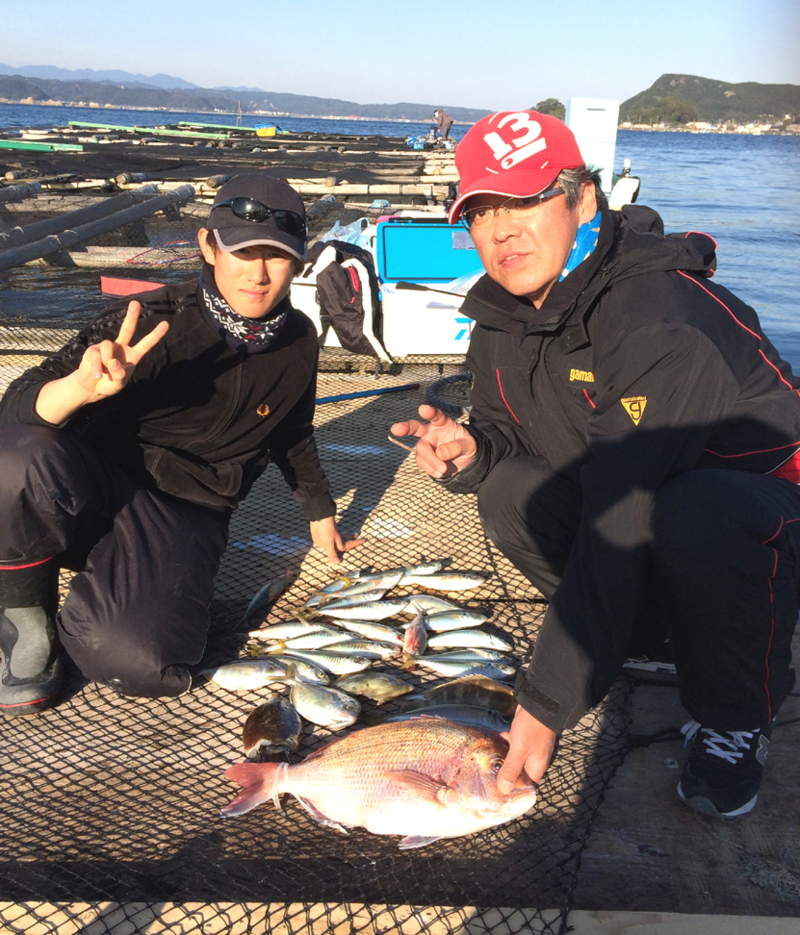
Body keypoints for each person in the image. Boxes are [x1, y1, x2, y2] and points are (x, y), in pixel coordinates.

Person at [392, 109, 800, 819]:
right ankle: (648, 639)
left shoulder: (656, 317)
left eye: (524, 201)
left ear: (583, 199)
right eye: (482, 211)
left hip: (764, 509)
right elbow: (510, 431)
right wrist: (476, 450)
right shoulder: (501, 316)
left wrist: (545, 705)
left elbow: (620, 515)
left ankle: (734, 714)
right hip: (642, 492)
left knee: (697, 511)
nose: (502, 230)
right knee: (512, 494)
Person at [0, 173, 362, 716]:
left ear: (300, 260)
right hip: (93, 482)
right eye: (242, 252)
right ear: (207, 246)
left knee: (139, 662)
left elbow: (294, 431)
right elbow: (16, 405)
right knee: (16, 457)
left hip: (187, 510)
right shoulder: (146, 319)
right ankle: (24, 610)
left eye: (277, 256)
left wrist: (319, 513)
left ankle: (109, 592)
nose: (259, 275)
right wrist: (80, 387)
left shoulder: (300, 341)